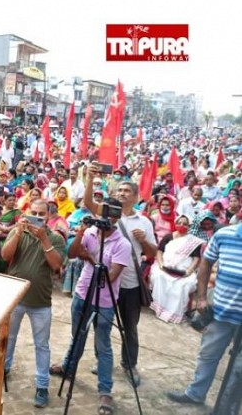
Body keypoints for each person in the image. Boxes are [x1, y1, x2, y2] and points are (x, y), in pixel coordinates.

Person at [50, 198, 131, 415]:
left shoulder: (123, 244)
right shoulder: (90, 233)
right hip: (83, 293)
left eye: (113, 214)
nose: (107, 218)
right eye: (104, 213)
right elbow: (73, 254)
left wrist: (92, 257)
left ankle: (105, 391)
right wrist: (80, 233)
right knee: (77, 335)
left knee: (103, 345)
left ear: (118, 217)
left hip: (105, 301)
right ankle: (68, 366)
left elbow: (112, 276)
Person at [83, 165, 157, 386]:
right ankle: (100, 359)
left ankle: (129, 365)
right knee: (101, 323)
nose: (122, 193)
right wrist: (90, 178)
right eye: (120, 190)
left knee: (129, 327)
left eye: (127, 191)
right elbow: (88, 204)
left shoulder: (144, 222)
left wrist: (143, 240)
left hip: (129, 284)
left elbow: (152, 253)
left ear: (136, 197)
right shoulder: (108, 212)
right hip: (106, 283)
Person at [167, 223, 242, 406]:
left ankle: (225, 408)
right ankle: (195, 394)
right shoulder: (224, 235)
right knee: (208, 355)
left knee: (239, 369)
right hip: (220, 311)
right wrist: (201, 297)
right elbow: (206, 262)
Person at [1, 199, 66, 408]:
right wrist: (18, 232)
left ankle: (42, 385)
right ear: (27, 213)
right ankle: (4, 369)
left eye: (41, 214)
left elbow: (56, 265)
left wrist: (44, 240)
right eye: (34, 213)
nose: (37, 218)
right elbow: (5, 256)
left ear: (48, 216)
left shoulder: (55, 238)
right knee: (8, 338)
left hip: (41, 302)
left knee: (42, 345)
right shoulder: (18, 232)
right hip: (15, 297)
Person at [149, 215, 204, 323]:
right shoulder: (168, 237)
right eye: (179, 223)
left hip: (184, 269)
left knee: (185, 284)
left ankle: (175, 313)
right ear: (175, 223)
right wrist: (160, 264)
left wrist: (189, 270)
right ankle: (159, 308)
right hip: (165, 266)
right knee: (159, 277)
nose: (182, 225)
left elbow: (196, 258)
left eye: (185, 224)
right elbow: (159, 251)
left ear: (189, 226)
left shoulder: (193, 242)